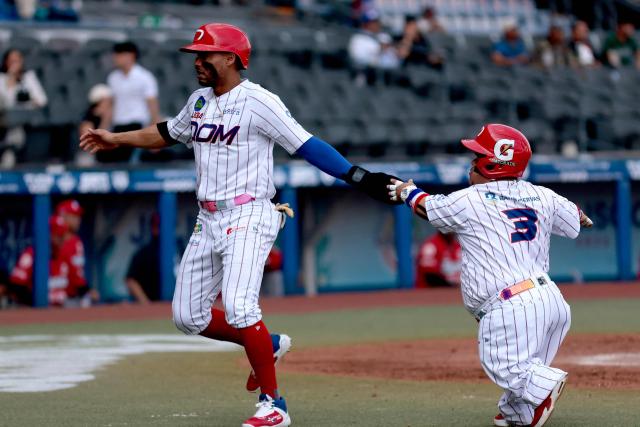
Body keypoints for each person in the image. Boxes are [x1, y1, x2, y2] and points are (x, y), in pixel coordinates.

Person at [80, 22, 398, 427]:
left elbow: (305, 143)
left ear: (230, 58)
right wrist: (117, 139)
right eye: (196, 55)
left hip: (249, 212)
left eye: (206, 54)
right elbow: (167, 133)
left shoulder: (258, 101)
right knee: (187, 316)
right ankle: (268, 343)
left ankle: (274, 405)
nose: (197, 61)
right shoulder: (199, 100)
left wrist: (356, 175)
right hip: (208, 216)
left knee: (239, 305)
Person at [388, 123, 593, 427]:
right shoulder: (541, 194)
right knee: (524, 367)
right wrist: (578, 216)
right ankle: (518, 413)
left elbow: (427, 207)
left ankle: (545, 384)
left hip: (511, 304)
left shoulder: (471, 199)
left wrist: (406, 191)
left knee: (503, 364)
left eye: (478, 155)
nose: (472, 161)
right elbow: (578, 218)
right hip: (551, 301)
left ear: (493, 163)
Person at [100, 41, 160, 163]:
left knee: (130, 161)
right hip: (118, 125)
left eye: (119, 55)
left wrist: (155, 136)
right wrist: (103, 128)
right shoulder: (113, 78)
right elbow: (111, 106)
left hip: (136, 126)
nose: (115, 58)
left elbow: (152, 107)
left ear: (130, 56)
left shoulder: (145, 77)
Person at [0, 48, 47, 168]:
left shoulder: (29, 77)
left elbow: (41, 100)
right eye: (12, 61)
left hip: (25, 119)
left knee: (17, 131)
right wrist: (11, 77)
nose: (15, 64)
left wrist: (28, 98)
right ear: (6, 62)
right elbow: (6, 101)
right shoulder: (2, 78)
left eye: (18, 61)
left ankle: (10, 158)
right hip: (5, 120)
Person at [9, 215, 71, 306]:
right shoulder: (31, 255)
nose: (62, 240)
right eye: (58, 235)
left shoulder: (63, 255)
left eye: (63, 235)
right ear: (48, 235)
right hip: (35, 313)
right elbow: (16, 286)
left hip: (61, 311)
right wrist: (36, 303)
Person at [55, 199, 94, 307]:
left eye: (78, 216)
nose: (78, 220)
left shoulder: (76, 242)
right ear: (63, 216)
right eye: (74, 216)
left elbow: (77, 276)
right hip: (53, 296)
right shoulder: (50, 241)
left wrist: (86, 291)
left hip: (72, 297)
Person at [348, 11, 399, 85]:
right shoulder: (358, 38)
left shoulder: (384, 36)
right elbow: (357, 57)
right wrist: (379, 50)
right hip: (366, 73)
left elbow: (394, 59)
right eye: (373, 22)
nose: (376, 24)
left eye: (377, 21)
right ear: (366, 24)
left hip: (386, 74)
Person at [126, 214, 161, 304]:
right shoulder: (144, 253)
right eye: (156, 226)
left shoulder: (181, 250)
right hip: (154, 306)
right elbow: (131, 280)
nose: (158, 230)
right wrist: (146, 303)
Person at [77, 84, 112, 166]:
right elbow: (89, 143)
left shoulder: (114, 115)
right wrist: (105, 119)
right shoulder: (88, 118)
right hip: (92, 158)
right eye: (107, 101)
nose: (110, 104)